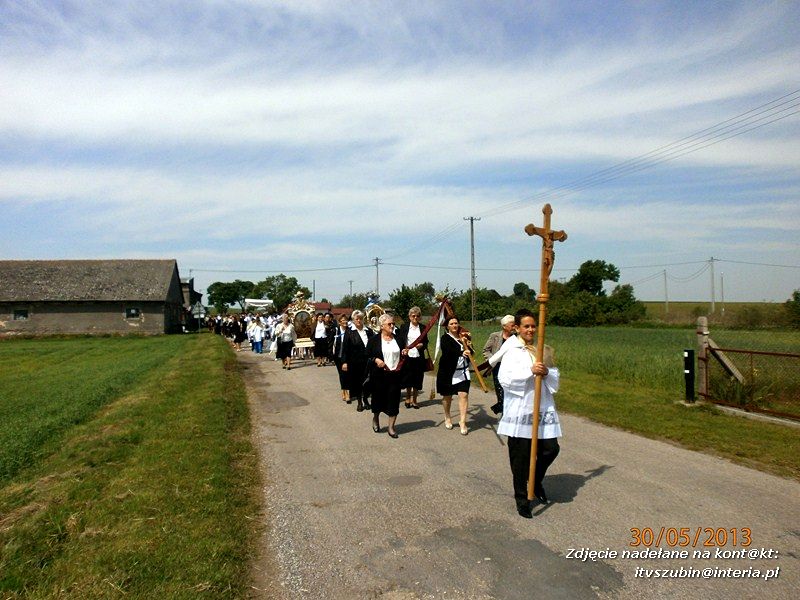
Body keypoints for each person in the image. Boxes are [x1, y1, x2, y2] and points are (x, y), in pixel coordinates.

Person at [497, 308, 560, 519]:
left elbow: (555, 380)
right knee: (520, 457)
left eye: (533, 326)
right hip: (520, 408)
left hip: (541, 408)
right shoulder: (512, 350)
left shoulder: (543, 349)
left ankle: (536, 480)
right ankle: (522, 498)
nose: (531, 329)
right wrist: (530, 372)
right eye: (526, 326)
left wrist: (547, 372)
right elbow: (505, 379)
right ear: (517, 328)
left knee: (550, 448)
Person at [365, 313, 407, 438]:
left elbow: (402, 354)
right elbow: (367, 355)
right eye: (389, 324)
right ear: (382, 325)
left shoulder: (398, 339)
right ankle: (376, 418)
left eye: (393, 323)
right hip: (379, 376)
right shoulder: (374, 340)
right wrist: (376, 360)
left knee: (394, 401)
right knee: (378, 400)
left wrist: (404, 352)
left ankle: (391, 427)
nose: (392, 326)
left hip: (395, 376)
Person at [436, 315, 472, 435]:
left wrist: (468, 345)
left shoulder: (463, 337)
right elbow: (448, 351)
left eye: (456, 323)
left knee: (463, 395)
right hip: (448, 372)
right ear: (447, 326)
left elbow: (471, 351)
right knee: (447, 397)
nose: (454, 325)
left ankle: (462, 422)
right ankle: (447, 416)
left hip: (463, 371)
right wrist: (462, 352)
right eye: (451, 324)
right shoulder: (445, 338)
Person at [482, 315, 516, 414]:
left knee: (510, 393)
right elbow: (486, 350)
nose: (514, 327)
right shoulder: (495, 336)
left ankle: (505, 413)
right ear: (504, 326)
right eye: (512, 325)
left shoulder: (517, 338)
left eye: (515, 325)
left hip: (512, 368)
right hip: (497, 367)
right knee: (500, 391)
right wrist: (491, 360)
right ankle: (503, 414)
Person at [341, 310, 374, 412]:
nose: (359, 320)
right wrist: (344, 362)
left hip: (368, 361)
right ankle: (360, 401)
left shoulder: (369, 331)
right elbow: (345, 348)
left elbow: (373, 345)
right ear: (353, 320)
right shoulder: (349, 331)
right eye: (357, 319)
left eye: (360, 318)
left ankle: (365, 399)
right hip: (355, 362)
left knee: (368, 382)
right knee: (358, 382)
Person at [397, 306, 429, 409]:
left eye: (417, 316)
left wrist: (422, 345)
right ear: (409, 316)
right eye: (413, 316)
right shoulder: (404, 327)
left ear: (420, 317)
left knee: (417, 378)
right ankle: (407, 398)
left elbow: (426, 342)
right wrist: (403, 349)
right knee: (408, 378)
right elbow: (401, 341)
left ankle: (415, 400)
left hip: (418, 356)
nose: (415, 317)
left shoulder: (423, 328)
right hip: (407, 356)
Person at [332, 314, 351, 403]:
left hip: (348, 357)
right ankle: (345, 392)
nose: (345, 321)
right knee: (342, 374)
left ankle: (345, 390)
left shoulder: (350, 331)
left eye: (346, 320)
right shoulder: (336, 331)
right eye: (343, 320)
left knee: (347, 374)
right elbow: (331, 343)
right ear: (339, 322)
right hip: (338, 357)